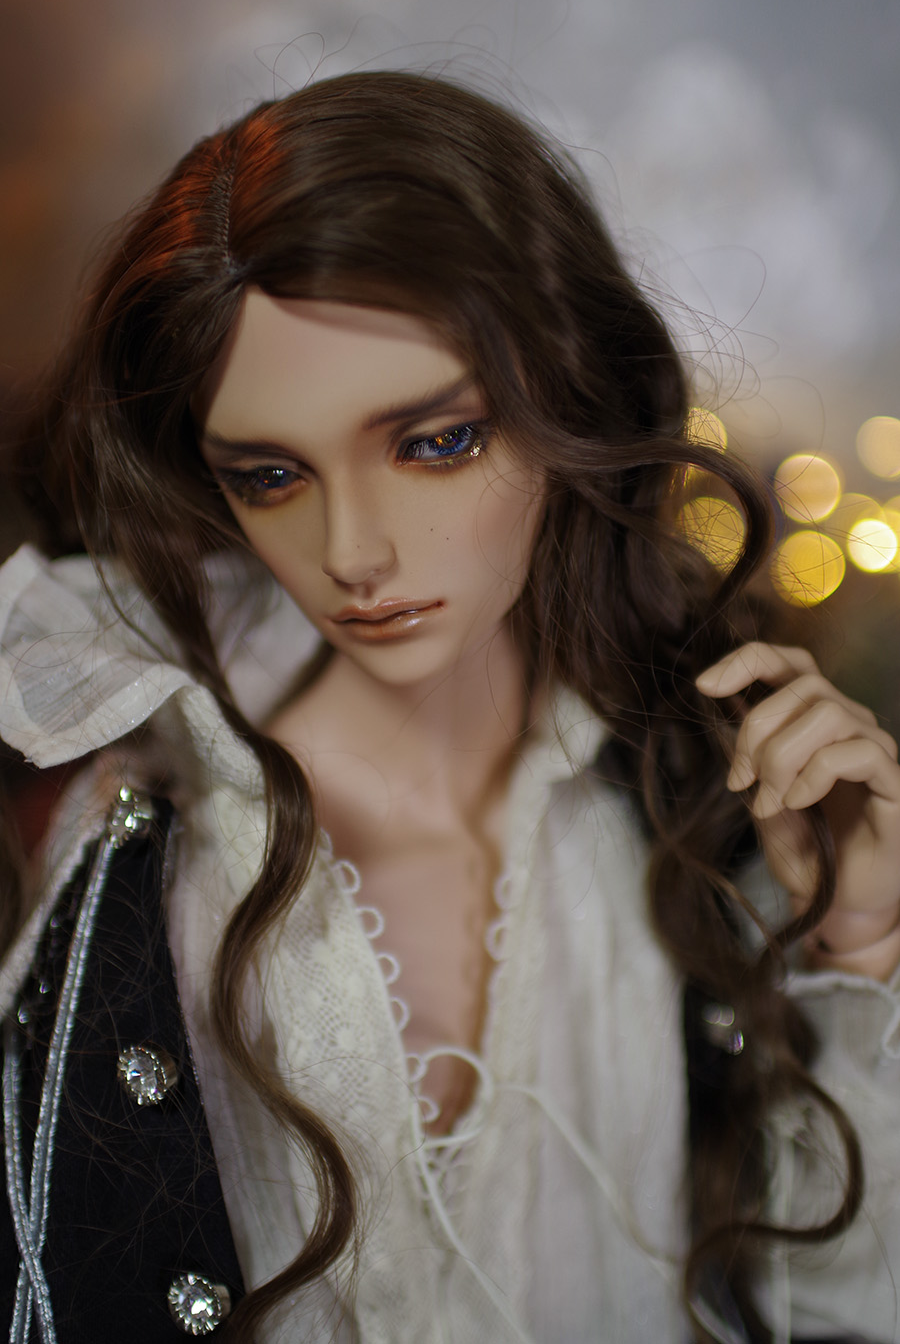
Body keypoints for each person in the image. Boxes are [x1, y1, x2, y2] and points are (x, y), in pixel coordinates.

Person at [1, 69, 899, 1344]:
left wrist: (857, 941)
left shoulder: (690, 804)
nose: (354, 553)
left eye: (434, 443)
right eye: (270, 475)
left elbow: (841, 1298)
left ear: (568, 396)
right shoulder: (163, 881)